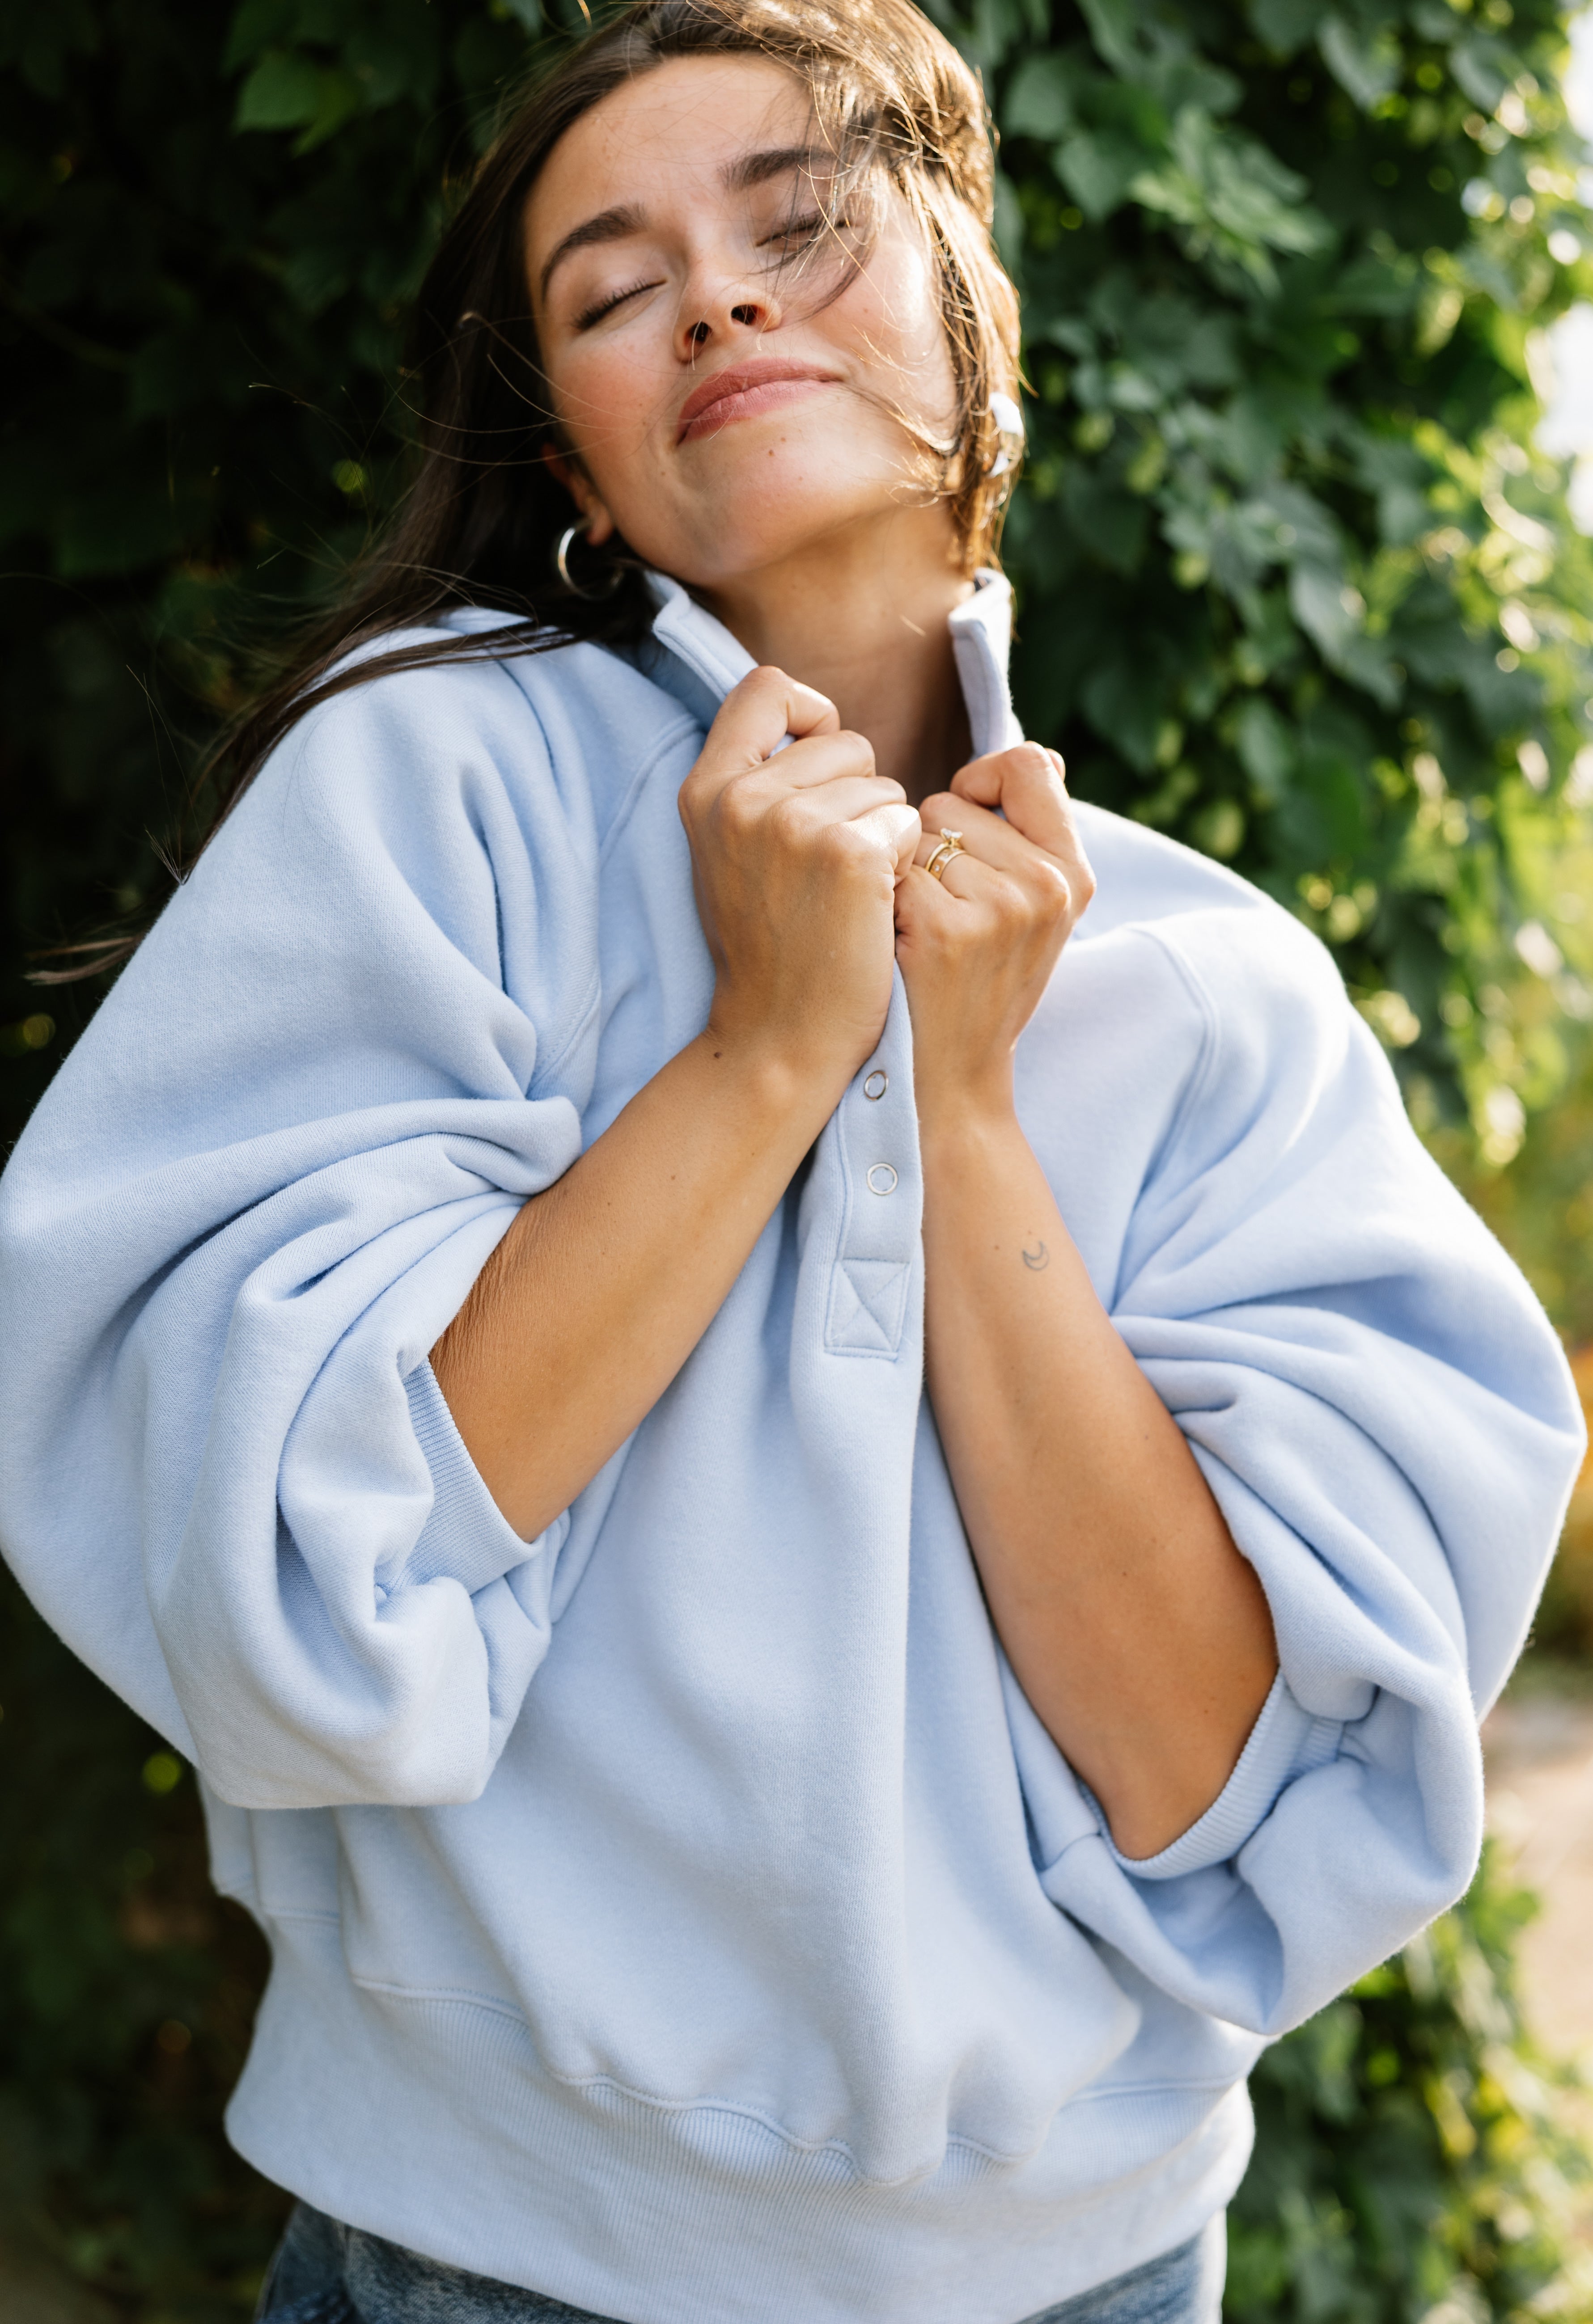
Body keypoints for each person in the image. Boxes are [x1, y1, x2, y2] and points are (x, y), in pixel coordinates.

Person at [0, 2, 1582, 2319]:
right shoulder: (430, 784)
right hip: (492, 2262)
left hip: (1094, 2277)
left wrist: (956, 1100)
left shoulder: (1214, 981)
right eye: (613, 287)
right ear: (581, 459)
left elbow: (1218, 1787)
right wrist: (765, 1051)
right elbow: (296, 1600)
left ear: (978, 314)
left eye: (801, 222)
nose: (718, 298)